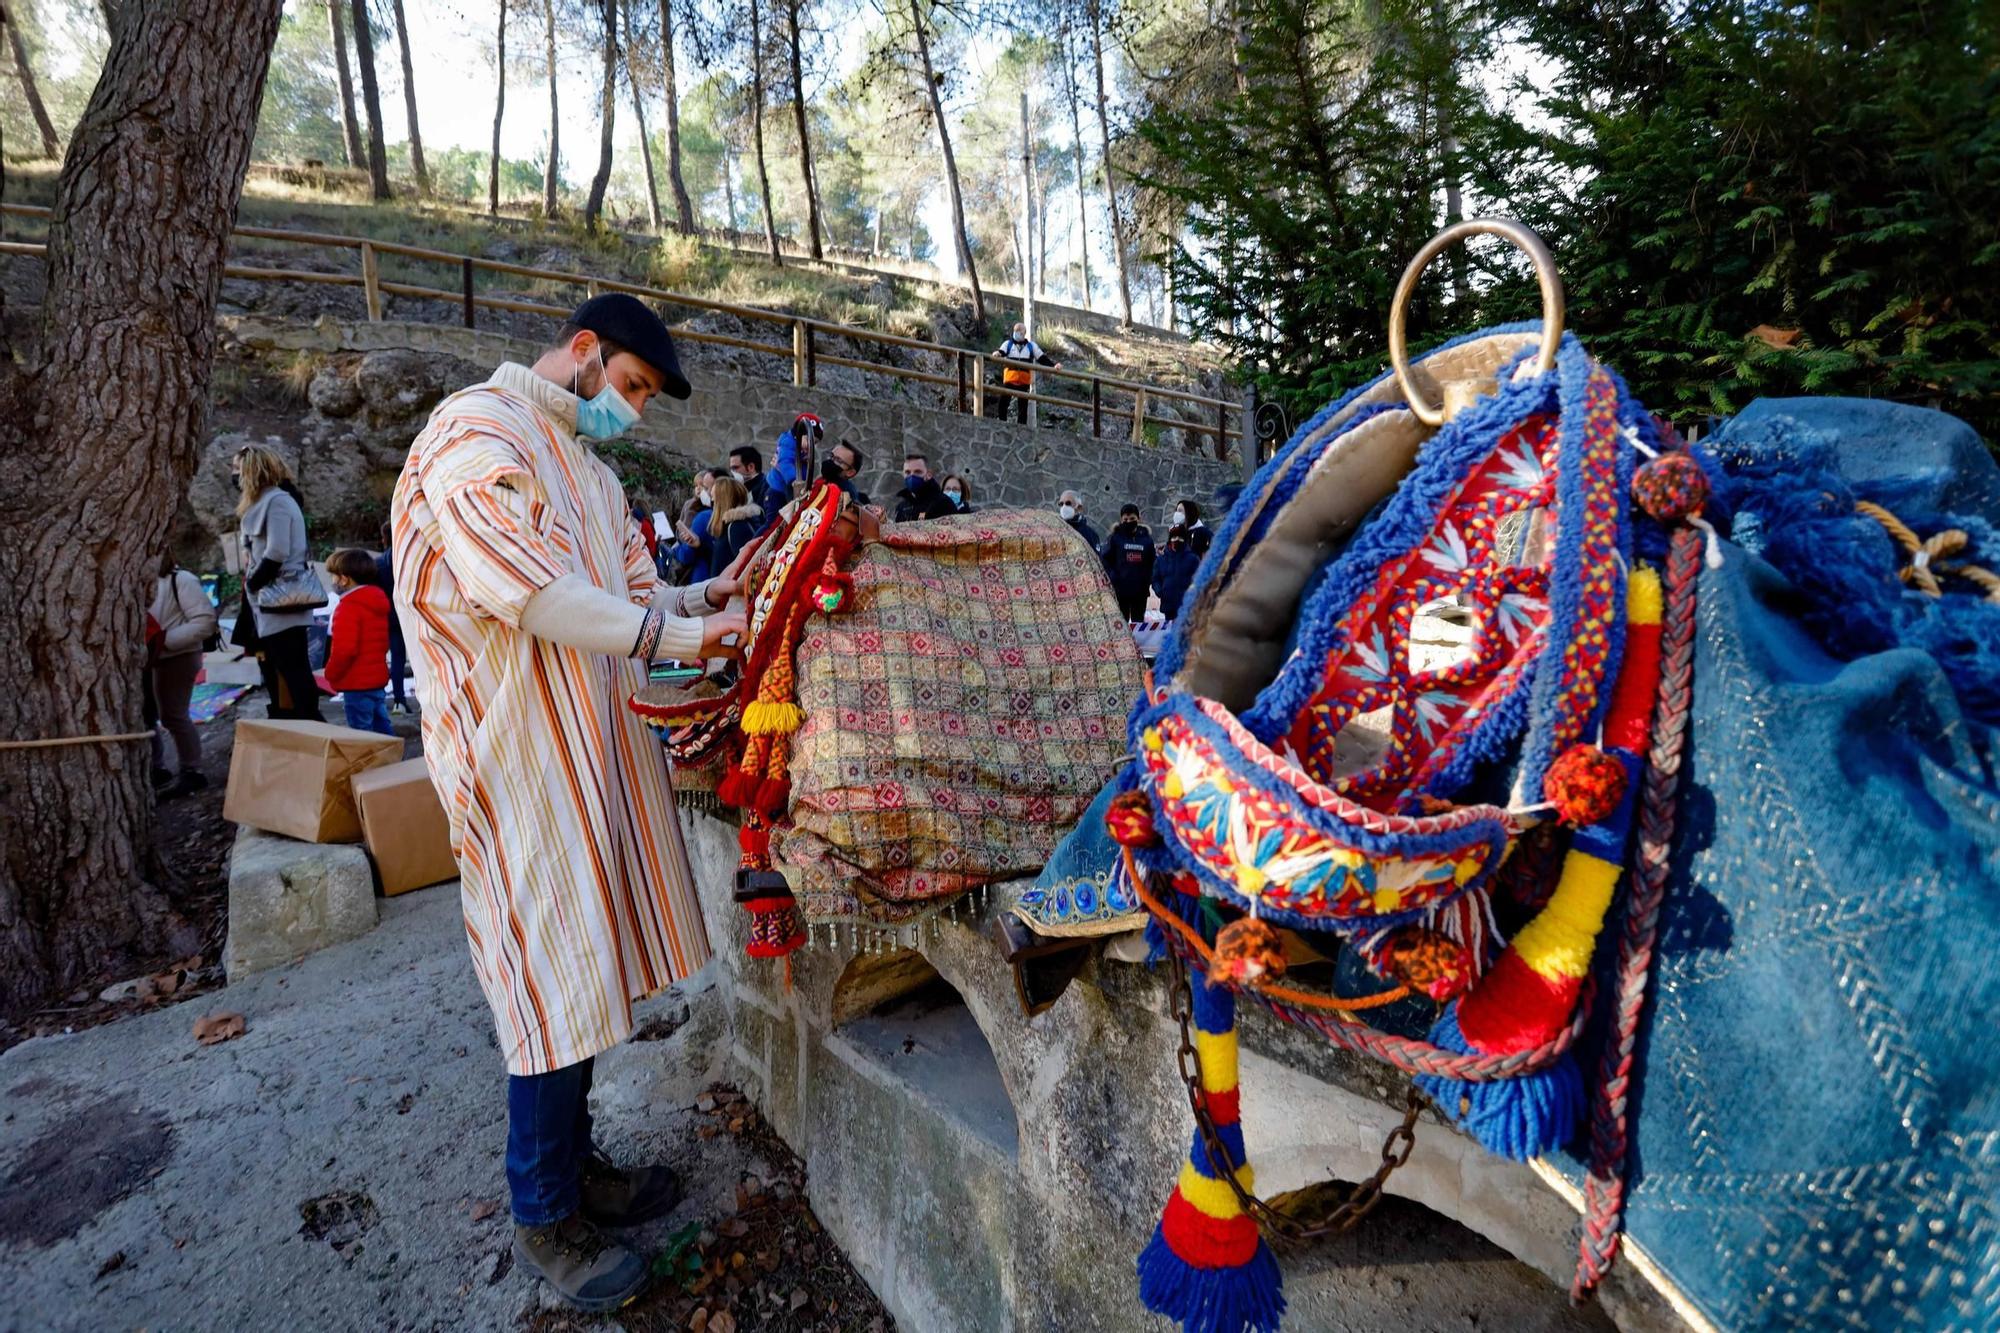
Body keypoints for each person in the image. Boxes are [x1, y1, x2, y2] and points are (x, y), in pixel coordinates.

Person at [391, 292, 747, 1313]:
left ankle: (580, 1167)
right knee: (547, 980)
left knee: (585, 964)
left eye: (642, 399)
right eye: (628, 386)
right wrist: (676, 638)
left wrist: (706, 599)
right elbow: (528, 592)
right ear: (582, 352)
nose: (629, 411)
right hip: (513, 757)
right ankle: (543, 1215)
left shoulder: (588, 470)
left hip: (584, 748)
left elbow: (636, 598)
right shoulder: (473, 432)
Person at [236, 444, 323, 721]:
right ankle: (289, 722)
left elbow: (276, 551)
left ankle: (310, 724)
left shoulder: (278, 502)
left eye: (237, 468)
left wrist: (254, 583)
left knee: (293, 667)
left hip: (279, 599)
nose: (234, 475)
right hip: (264, 600)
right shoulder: (264, 503)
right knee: (275, 667)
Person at [149, 550, 218, 797]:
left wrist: (164, 641)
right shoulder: (137, 579)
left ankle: (192, 771)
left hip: (177, 656)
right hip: (150, 657)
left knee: (173, 716)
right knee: (147, 715)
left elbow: (205, 621)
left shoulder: (182, 580)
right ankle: (156, 769)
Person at [322, 548, 396, 737]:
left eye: (333, 576)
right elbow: (382, 643)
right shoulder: (377, 603)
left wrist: (330, 673)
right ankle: (393, 763)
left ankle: (372, 767)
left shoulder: (347, 607)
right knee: (382, 729)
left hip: (355, 683)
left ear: (344, 579)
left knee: (362, 736)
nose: (333, 582)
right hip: (377, 679)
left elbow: (344, 650)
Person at [375, 523, 414, 715]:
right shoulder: (411, 557)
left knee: (396, 659)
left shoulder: (379, 563)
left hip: (390, 616)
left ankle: (399, 700)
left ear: (384, 538)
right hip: (413, 614)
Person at [990, 322, 1060, 423]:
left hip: (1024, 381)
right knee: (1003, 403)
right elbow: (1001, 352)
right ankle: (1002, 423)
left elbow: (1042, 358)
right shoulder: (1007, 344)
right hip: (1010, 379)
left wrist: (1054, 366)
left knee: (1023, 407)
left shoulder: (1031, 346)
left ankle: (1021, 429)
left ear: (1024, 333)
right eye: (1016, 331)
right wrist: (997, 353)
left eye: (1020, 331)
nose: (1017, 333)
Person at [1101, 503, 1156, 623]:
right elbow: (1105, 559)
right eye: (1125, 519)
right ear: (1121, 519)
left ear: (1138, 519)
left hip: (1140, 590)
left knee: (1138, 622)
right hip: (1121, 589)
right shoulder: (1115, 537)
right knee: (1122, 622)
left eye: (1132, 519)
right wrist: (1113, 577)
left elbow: (1152, 561)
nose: (1128, 521)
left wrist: (1148, 579)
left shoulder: (1146, 538)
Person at [670, 468, 725, 583]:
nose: (701, 491)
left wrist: (676, 550)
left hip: (701, 580)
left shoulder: (705, 517)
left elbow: (686, 555)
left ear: (718, 490)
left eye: (705, 488)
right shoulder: (736, 514)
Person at [704, 474, 764, 577]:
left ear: (722, 500)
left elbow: (745, 568)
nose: (712, 502)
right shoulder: (729, 525)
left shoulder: (737, 527)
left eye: (713, 497)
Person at [766, 412, 824, 507]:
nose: (811, 445)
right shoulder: (788, 443)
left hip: (791, 490)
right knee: (773, 519)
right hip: (777, 490)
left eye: (815, 442)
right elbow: (785, 463)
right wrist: (794, 480)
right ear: (798, 434)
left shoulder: (803, 450)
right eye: (809, 440)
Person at [1152, 525, 1200, 624]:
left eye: (1180, 537)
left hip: (1186, 605)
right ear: (1170, 539)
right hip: (1168, 604)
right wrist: (1160, 591)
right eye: (1174, 537)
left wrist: (1192, 593)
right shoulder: (1161, 560)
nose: (1177, 539)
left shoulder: (1193, 559)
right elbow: (1155, 579)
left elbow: (1199, 579)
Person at [893, 452, 958, 522]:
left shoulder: (943, 503)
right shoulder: (901, 507)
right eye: (907, 472)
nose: (912, 476)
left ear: (928, 475)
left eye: (917, 472)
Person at [728, 444, 771, 510]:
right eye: (731, 469)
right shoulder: (738, 488)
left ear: (751, 467)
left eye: (735, 468)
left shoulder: (766, 487)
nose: (732, 472)